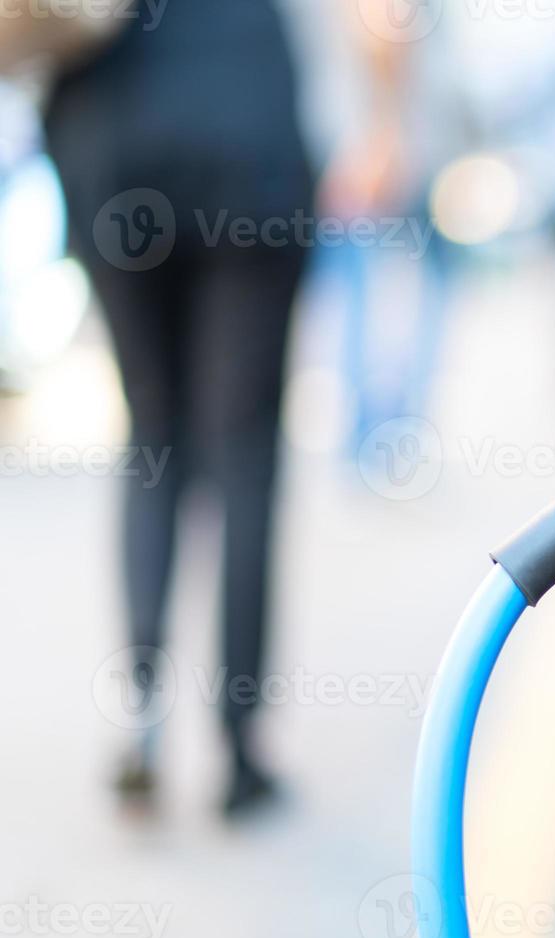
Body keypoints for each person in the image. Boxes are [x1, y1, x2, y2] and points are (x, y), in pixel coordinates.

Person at [43, 0, 325, 817]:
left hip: (114, 142)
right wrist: (386, 120)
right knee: (243, 454)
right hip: (246, 144)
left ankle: (141, 713)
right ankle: (238, 747)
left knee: (151, 436)